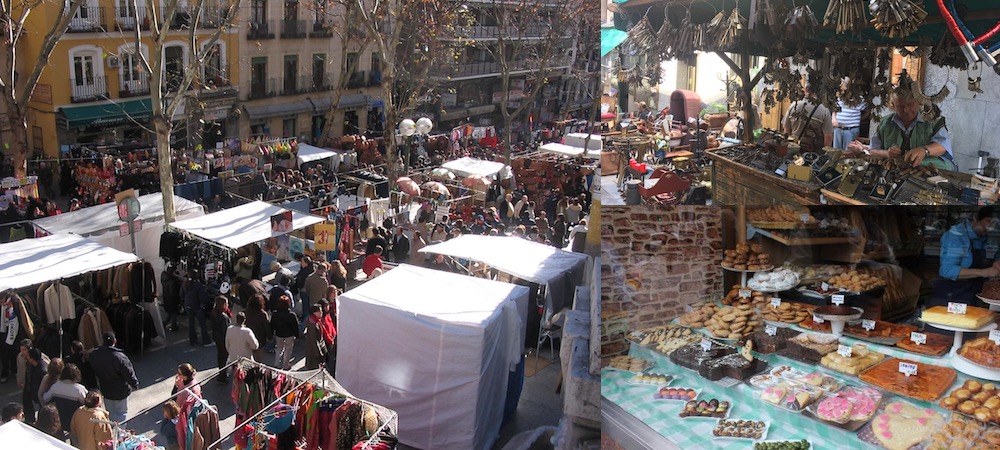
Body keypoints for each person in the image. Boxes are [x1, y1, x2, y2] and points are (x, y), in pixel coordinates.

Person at [848, 87, 956, 171]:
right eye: (900, 106)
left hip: (932, 172)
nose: (906, 110)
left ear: (918, 103)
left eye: (910, 104)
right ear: (893, 105)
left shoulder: (932, 120)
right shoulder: (885, 124)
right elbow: (873, 150)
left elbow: (943, 146)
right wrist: (887, 153)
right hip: (898, 173)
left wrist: (924, 150)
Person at [933, 208, 1000, 309]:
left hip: (975, 294)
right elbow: (947, 271)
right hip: (953, 295)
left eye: (993, 222)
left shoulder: (981, 236)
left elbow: (994, 253)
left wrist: (997, 261)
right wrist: (984, 272)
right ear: (975, 218)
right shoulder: (956, 236)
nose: (991, 226)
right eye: (988, 221)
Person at [87, 332, 138, 423]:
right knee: (122, 413)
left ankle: (112, 430)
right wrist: (134, 384)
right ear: (115, 341)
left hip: (106, 389)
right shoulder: (120, 357)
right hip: (120, 390)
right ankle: (119, 433)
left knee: (110, 413)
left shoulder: (95, 354)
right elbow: (128, 373)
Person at [782, 82, 834, 152]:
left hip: (794, 148)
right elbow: (828, 136)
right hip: (813, 151)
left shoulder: (793, 105)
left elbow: (786, 128)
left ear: (806, 90)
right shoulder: (824, 110)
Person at [43, 363, 86, 429]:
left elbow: (45, 398)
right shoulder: (80, 390)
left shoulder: (56, 386)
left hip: (59, 421)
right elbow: (87, 404)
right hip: (75, 422)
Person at [17, 339, 47, 423]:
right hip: (28, 383)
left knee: (41, 404)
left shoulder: (41, 361)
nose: (22, 352)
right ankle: (29, 419)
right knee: (26, 400)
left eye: (24, 350)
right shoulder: (20, 357)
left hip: (38, 385)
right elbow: (19, 369)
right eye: (21, 349)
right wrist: (19, 380)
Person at [832, 80, 867, 151]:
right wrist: (834, 118)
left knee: (849, 153)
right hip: (838, 129)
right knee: (835, 152)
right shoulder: (839, 97)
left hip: (851, 130)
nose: (840, 86)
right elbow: (834, 109)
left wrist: (858, 120)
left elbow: (868, 111)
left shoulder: (859, 99)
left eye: (843, 84)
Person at [270, 296, 300, 370]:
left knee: (279, 349)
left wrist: (271, 334)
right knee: (288, 350)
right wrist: (297, 335)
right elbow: (295, 326)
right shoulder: (292, 315)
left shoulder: (275, 314)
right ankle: (285, 365)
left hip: (279, 334)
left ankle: (276, 364)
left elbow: (272, 325)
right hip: (289, 335)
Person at [182, 275, 212, 347]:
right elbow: (203, 297)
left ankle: (193, 340)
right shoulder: (198, 285)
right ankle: (206, 341)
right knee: (202, 324)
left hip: (188, 305)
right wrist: (204, 304)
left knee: (191, 324)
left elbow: (182, 295)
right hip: (197, 306)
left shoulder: (184, 284)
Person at [243, 294, 272, 362]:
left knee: (248, 359)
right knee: (258, 359)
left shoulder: (244, 312)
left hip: (247, 339)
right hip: (260, 339)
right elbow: (266, 327)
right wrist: (270, 337)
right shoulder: (262, 314)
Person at [209, 296, 231, 383]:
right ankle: (222, 376)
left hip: (217, 338)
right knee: (224, 358)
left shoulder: (214, 313)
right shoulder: (224, 317)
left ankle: (221, 372)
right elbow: (226, 330)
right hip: (223, 339)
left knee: (220, 356)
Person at [25, 348, 48, 424]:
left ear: (32, 358)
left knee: (42, 413)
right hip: (34, 394)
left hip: (40, 396)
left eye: (28, 356)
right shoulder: (32, 365)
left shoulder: (42, 370)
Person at [303, 305, 328, 370]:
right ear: (314, 312)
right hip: (313, 351)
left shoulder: (318, 321)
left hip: (319, 347)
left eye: (321, 310)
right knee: (314, 369)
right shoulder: (312, 323)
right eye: (319, 311)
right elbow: (314, 340)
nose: (321, 312)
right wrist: (319, 354)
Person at [161, 264, 182, 332]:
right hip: (172, 300)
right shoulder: (172, 282)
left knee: (170, 313)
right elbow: (173, 293)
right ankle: (173, 326)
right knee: (174, 313)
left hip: (166, 298)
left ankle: (164, 324)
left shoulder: (164, 278)